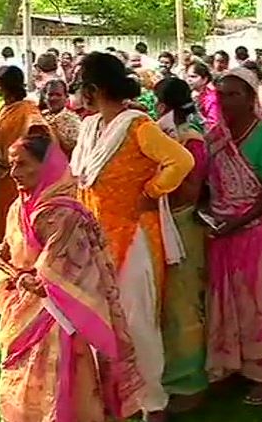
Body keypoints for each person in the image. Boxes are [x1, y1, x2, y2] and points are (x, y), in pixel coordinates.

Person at [70, 52, 194, 421]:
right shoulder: (91, 127)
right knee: (103, 319)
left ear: (93, 89)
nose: (79, 94)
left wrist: (153, 191)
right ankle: (116, 397)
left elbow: (182, 161)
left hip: (136, 237)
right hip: (97, 238)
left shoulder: (138, 126)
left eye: (81, 87)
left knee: (138, 321)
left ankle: (153, 402)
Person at [0, 132, 144, 422]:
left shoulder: (63, 214)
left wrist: (16, 274)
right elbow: (7, 253)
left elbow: (53, 278)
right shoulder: (18, 207)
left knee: (61, 383)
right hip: (23, 309)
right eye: (12, 165)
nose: (14, 173)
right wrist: (13, 272)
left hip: (58, 316)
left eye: (23, 164)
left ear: (47, 166)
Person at [205, 67, 262, 404]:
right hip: (219, 229)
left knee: (255, 302)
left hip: (251, 231)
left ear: (251, 98)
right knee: (221, 300)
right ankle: (228, 365)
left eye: (234, 94)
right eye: (221, 94)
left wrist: (237, 222)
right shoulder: (214, 136)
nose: (225, 101)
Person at [153, 78, 210, 411]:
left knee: (184, 304)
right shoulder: (172, 136)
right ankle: (168, 375)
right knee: (166, 303)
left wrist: (154, 185)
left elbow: (189, 190)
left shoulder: (189, 140)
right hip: (165, 223)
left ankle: (191, 383)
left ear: (162, 105)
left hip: (183, 223)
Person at [0, 66, 46, 248]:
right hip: (1, 179)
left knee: (22, 229)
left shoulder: (28, 111)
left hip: (22, 177)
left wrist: (13, 159)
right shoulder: (0, 108)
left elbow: (40, 140)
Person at [40, 78, 81, 155]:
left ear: (66, 97)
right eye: (50, 94)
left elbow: (72, 148)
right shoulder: (39, 116)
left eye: (58, 95)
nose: (53, 98)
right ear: (45, 97)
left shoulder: (73, 121)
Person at [186, 62, 220, 129]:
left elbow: (213, 125)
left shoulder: (212, 98)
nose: (189, 80)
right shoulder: (187, 94)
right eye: (188, 76)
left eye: (193, 76)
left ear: (204, 79)